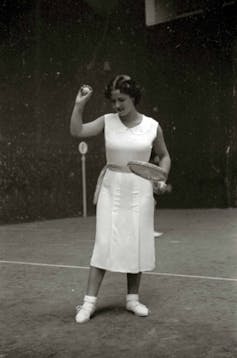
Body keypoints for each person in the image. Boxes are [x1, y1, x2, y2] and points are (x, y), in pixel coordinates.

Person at [70, 74, 171, 323]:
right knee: (104, 243)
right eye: (114, 101)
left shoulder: (152, 126)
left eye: (122, 100)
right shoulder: (107, 121)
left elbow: (164, 156)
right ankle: (88, 303)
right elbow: (77, 131)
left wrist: (160, 177)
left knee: (136, 242)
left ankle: (132, 300)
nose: (117, 106)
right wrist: (79, 104)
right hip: (111, 188)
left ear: (134, 98)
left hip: (141, 190)